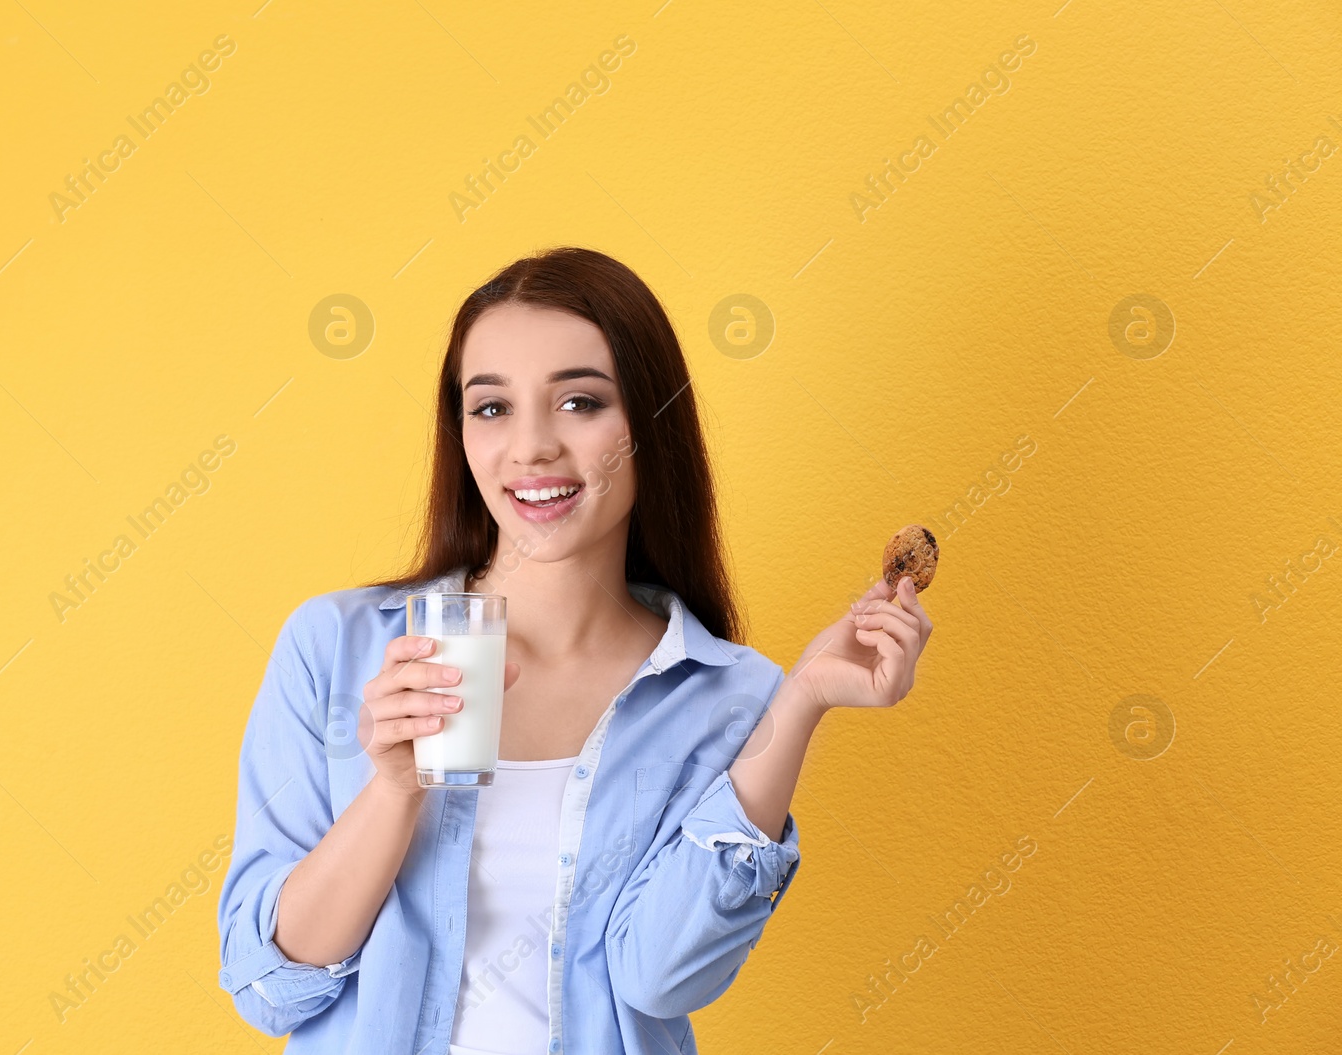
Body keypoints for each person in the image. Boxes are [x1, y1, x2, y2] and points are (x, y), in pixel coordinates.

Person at [215, 246, 933, 1053]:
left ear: (650, 425)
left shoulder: (727, 695)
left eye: (580, 402)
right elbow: (267, 985)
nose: (530, 448)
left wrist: (799, 701)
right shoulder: (338, 647)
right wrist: (392, 790)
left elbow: (662, 977)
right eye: (490, 408)